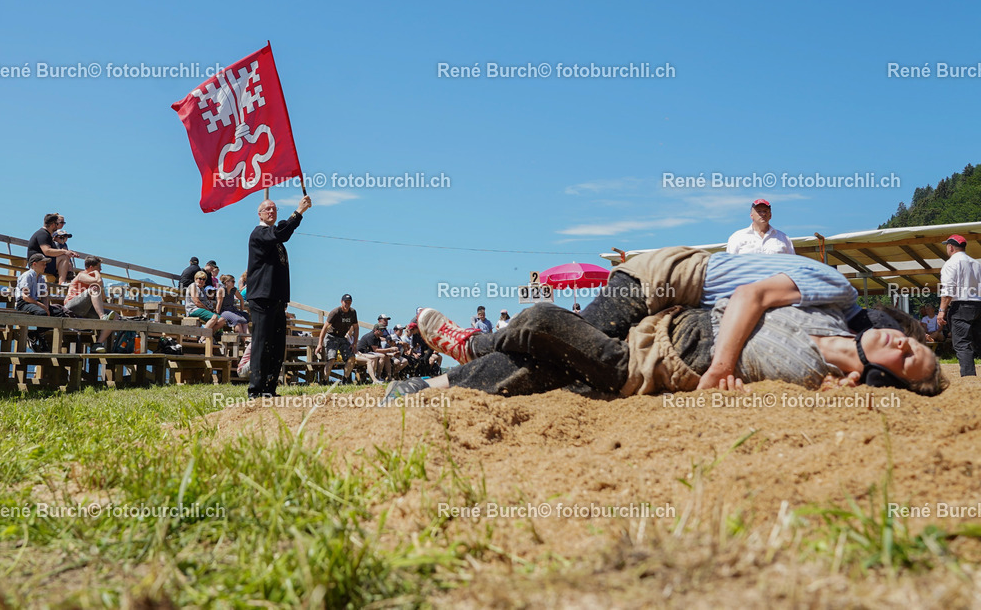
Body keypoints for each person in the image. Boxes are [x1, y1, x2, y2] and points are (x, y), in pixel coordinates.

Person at [384, 246, 944, 401]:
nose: (902, 338)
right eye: (911, 339)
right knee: (551, 350)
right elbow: (750, 295)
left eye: (908, 356)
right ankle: (459, 358)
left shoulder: (824, 369)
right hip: (664, 294)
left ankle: (451, 364)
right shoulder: (832, 309)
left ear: (880, 377)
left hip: (656, 347)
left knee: (545, 337)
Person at [246, 196, 313, 398]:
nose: (271, 212)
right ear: (259, 214)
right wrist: (299, 212)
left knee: (277, 345)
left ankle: (269, 388)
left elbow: (280, 233)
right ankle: (255, 390)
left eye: (274, 209)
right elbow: (281, 233)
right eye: (267, 209)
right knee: (262, 342)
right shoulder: (259, 233)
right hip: (261, 297)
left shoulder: (274, 238)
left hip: (277, 299)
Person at [937, 234, 981, 376]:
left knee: (962, 343)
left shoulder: (950, 264)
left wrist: (941, 310)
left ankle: (969, 377)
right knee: (978, 341)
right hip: (978, 304)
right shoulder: (977, 263)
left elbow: (949, 290)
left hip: (961, 306)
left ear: (950, 247)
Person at [63, 255, 116, 352]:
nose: (100, 269)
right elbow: (97, 282)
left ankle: (98, 343)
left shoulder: (96, 279)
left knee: (115, 316)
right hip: (71, 306)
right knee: (94, 288)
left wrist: (100, 282)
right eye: (98, 267)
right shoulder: (81, 275)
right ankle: (102, 316)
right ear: (91, 267)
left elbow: (103, 298)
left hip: (85, 309)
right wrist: (96, 274)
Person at [726, 199, 795, 255]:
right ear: (751, 216)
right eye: (759, 211)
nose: (763, 214)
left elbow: (792, 264)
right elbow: (729, 264)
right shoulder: (737, 237)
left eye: (765, 211)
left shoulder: (783, 238)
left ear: (770, 215)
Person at [316, 294, 359, 380]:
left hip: (342, 337)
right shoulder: (335, 312)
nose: (347, 304)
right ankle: (325, 380)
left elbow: (356, 328)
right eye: (345, 302)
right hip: (331, 336)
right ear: (341, 302)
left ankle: (345, 379)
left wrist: (354, 344)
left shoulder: (353, 312)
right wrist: (320, 344)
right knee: (331, 359)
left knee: (351, 357)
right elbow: (324, 328)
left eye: (349, 302)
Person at [27, 213, 79, 284]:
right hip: (36, 263)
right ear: (52, 225)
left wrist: (69, 252)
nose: (58, 227)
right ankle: (62, 282)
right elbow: (47, 251)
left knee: (66, 259)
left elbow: (53, 252)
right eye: (57, 224)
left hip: (44, 261)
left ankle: (63, 281)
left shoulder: (46, 234)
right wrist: (64, 252)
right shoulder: (43, 234)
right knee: (64, 257)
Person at [16, 254, 52, 351]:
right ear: (34, 264)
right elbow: (25, 296)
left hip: (33, 302)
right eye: (43, 264)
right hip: (23, 303)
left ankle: (34, 335)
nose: (45, 266)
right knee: (42, 313)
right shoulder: (28, 275)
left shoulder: (41, 277)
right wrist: (42, 307)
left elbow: (44, 295)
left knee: (57, 313)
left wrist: (47, 307)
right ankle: (40, 337)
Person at [185, 271, 228, 336]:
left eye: (204, 279)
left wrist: (211, 309)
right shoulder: (193, 286)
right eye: (200, 278)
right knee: (214, 317)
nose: (201, 281)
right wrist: (207, 309)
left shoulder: (202, 289)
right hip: (193, 309)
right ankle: (203, 336)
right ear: (195, 279)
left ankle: (206, 335)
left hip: (202, 309)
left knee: (222, 320)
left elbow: (206, 301)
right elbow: (197, 302)